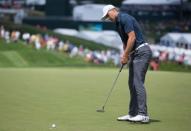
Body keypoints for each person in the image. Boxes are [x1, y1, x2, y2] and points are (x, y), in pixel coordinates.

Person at [101, 5, 152, 123]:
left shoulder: (124, 18)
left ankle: (143, 114)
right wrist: (126, 55)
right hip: (135, 54)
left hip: (142, 52)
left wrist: (125, 55)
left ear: (113, 10)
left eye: (108, 15)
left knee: (137, 82)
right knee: (131, 84)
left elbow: (132, 37)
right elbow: (125, 42)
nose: (108, 18)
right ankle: (133, 113)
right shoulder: (118, 25)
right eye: (106, 17)